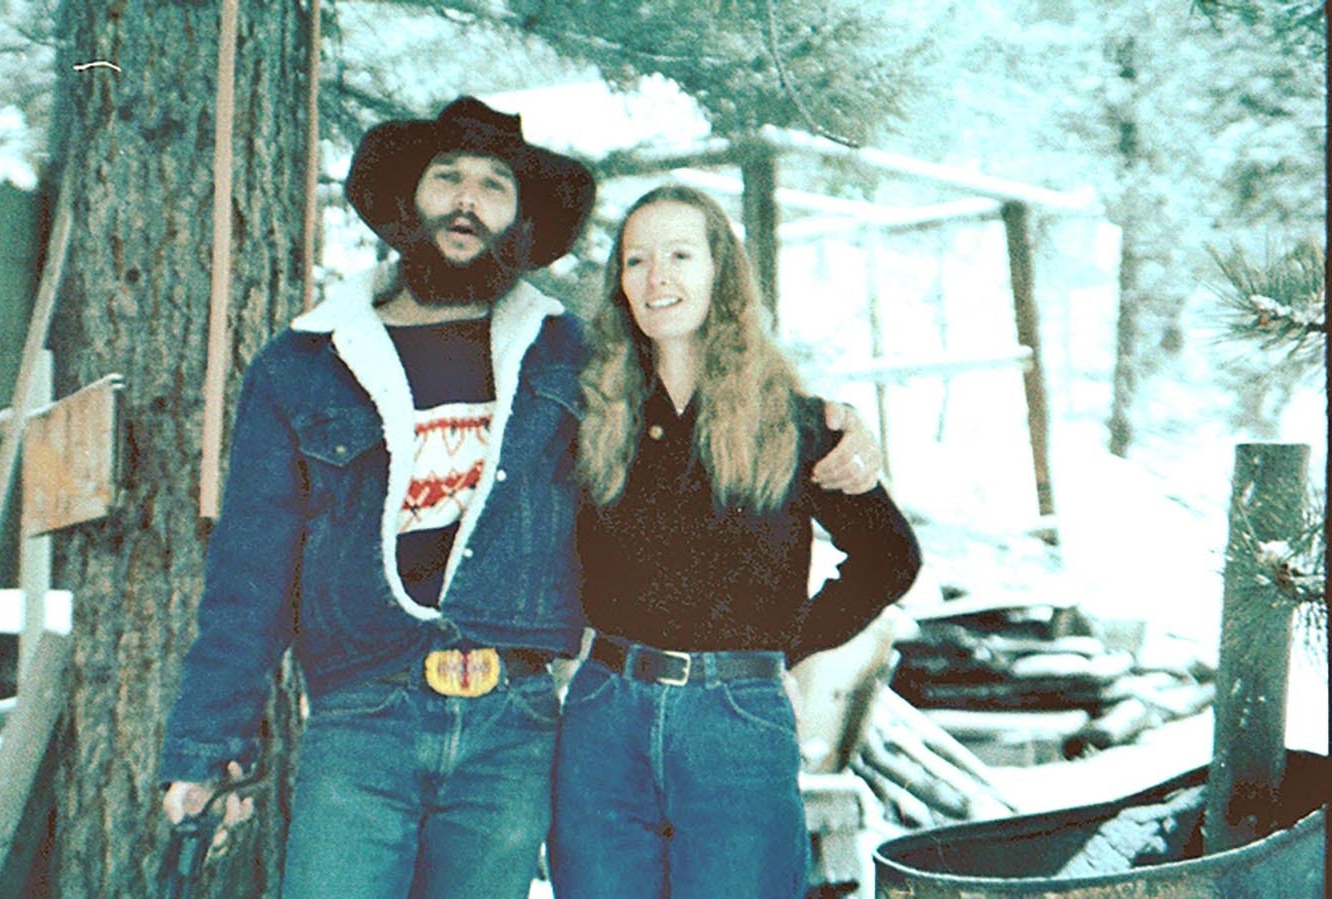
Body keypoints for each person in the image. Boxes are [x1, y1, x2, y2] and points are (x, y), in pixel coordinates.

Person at [157, 99, 882, 898]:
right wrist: (204, 746)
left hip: (512, 722)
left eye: (493, 186)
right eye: (448, 179)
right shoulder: (304, 365)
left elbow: (710, 384)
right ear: (409, 198)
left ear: (518, 215)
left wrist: (835, 429)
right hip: (362, 719)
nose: (467, 201)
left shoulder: (570, 356)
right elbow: (247, 575)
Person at [549, 184, 922, 898]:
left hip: (735, 726)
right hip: (604, 718)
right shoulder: (588, 413)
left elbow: (890, 557)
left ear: (722, 270)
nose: (657, 277)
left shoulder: (797, 423)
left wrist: (791, 642)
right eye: (636, 260)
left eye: (680, 255)